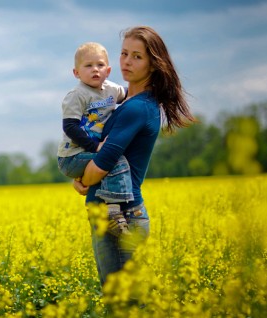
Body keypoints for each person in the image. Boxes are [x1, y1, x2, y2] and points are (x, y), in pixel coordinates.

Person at [73, 26, 196, 286]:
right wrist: (85, 176)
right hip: (114, 214)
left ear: (153, 64)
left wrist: (82, 176)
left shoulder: (137, 108)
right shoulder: (130, 103)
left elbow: (101, 165)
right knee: (122, 303)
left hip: (121, 217)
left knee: (124, 306)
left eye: (137, 56)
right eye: (124, 53)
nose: (127, 61)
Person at [57, 42, 133, 236]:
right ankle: (115, 210)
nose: (95, 70)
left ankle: (106, 207)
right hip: (72, 156)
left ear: (108, 70)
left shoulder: (111, 89)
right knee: (114, 160)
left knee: (110, 160)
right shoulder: (77, 95)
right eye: (88, 66)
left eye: (100, 65)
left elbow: (129, 94)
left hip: (89, 153)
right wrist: (95, 146)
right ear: (76, 73)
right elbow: (70, 127)